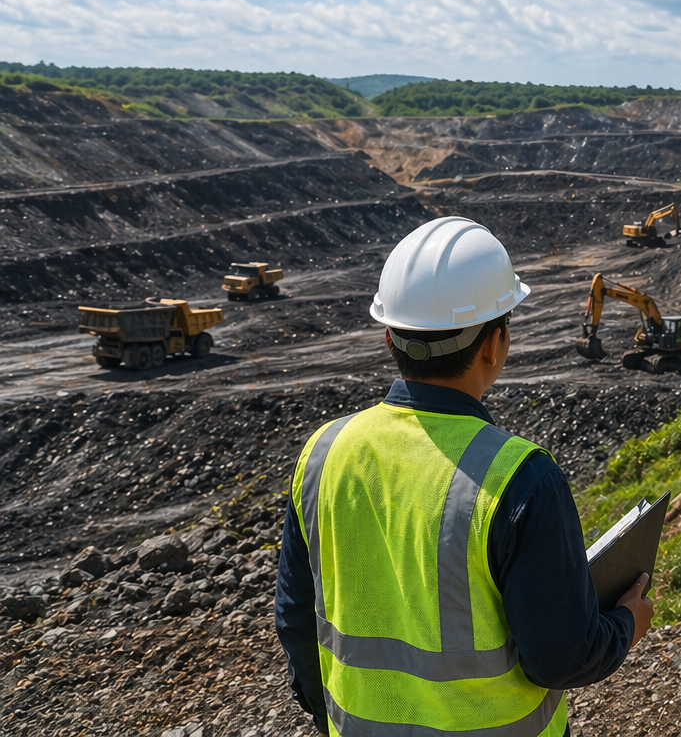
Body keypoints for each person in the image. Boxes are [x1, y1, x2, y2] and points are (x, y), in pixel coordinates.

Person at [275, 216, 654, 736]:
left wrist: (330, 718)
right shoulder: (523, 479)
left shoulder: (322, 455)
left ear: (390, 338)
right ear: (494, 345)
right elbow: (560, 657)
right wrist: (626, 624)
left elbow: (296, 621)